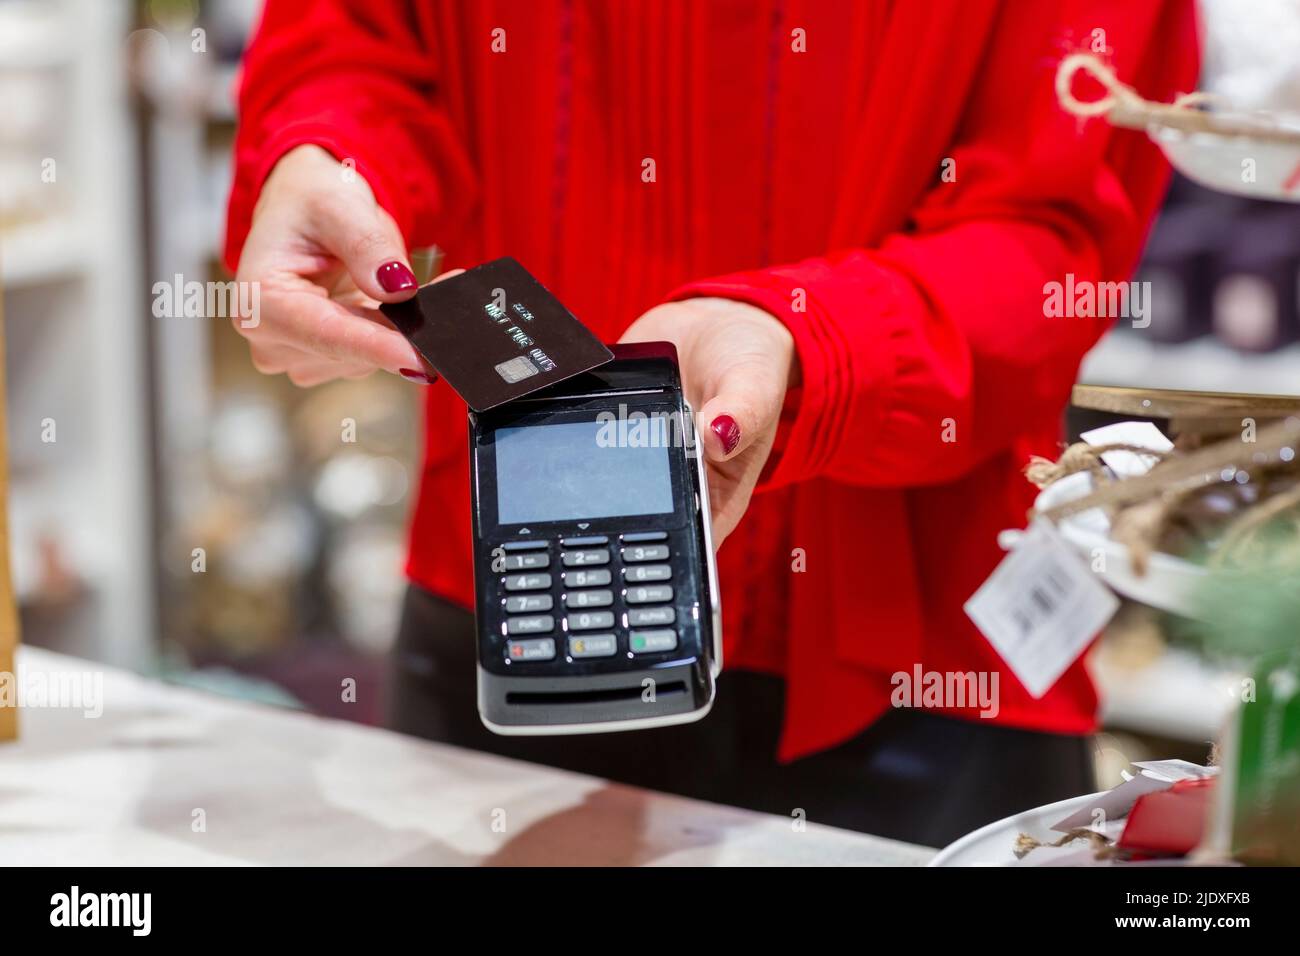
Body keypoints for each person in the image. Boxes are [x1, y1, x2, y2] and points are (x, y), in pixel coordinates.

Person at [225, 0, 1198, 846]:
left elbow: (1055, 217)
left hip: (919, 667)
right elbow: (355, 36)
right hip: (518, 600)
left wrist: (818, 347)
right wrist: (324, 151)